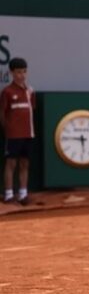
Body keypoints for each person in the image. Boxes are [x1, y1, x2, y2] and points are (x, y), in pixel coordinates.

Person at [0, 58, 35, 206]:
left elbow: (32, 110)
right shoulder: (7, 92)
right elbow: (2, 113)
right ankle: (8, 194)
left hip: (28, 134)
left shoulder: (30, 91)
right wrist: (8, 130)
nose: (22, 75)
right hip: (13, 135)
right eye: (19, 72)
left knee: (24, 164)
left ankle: (23, 194)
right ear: (12, 73)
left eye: (24, 71)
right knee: (11, 164)